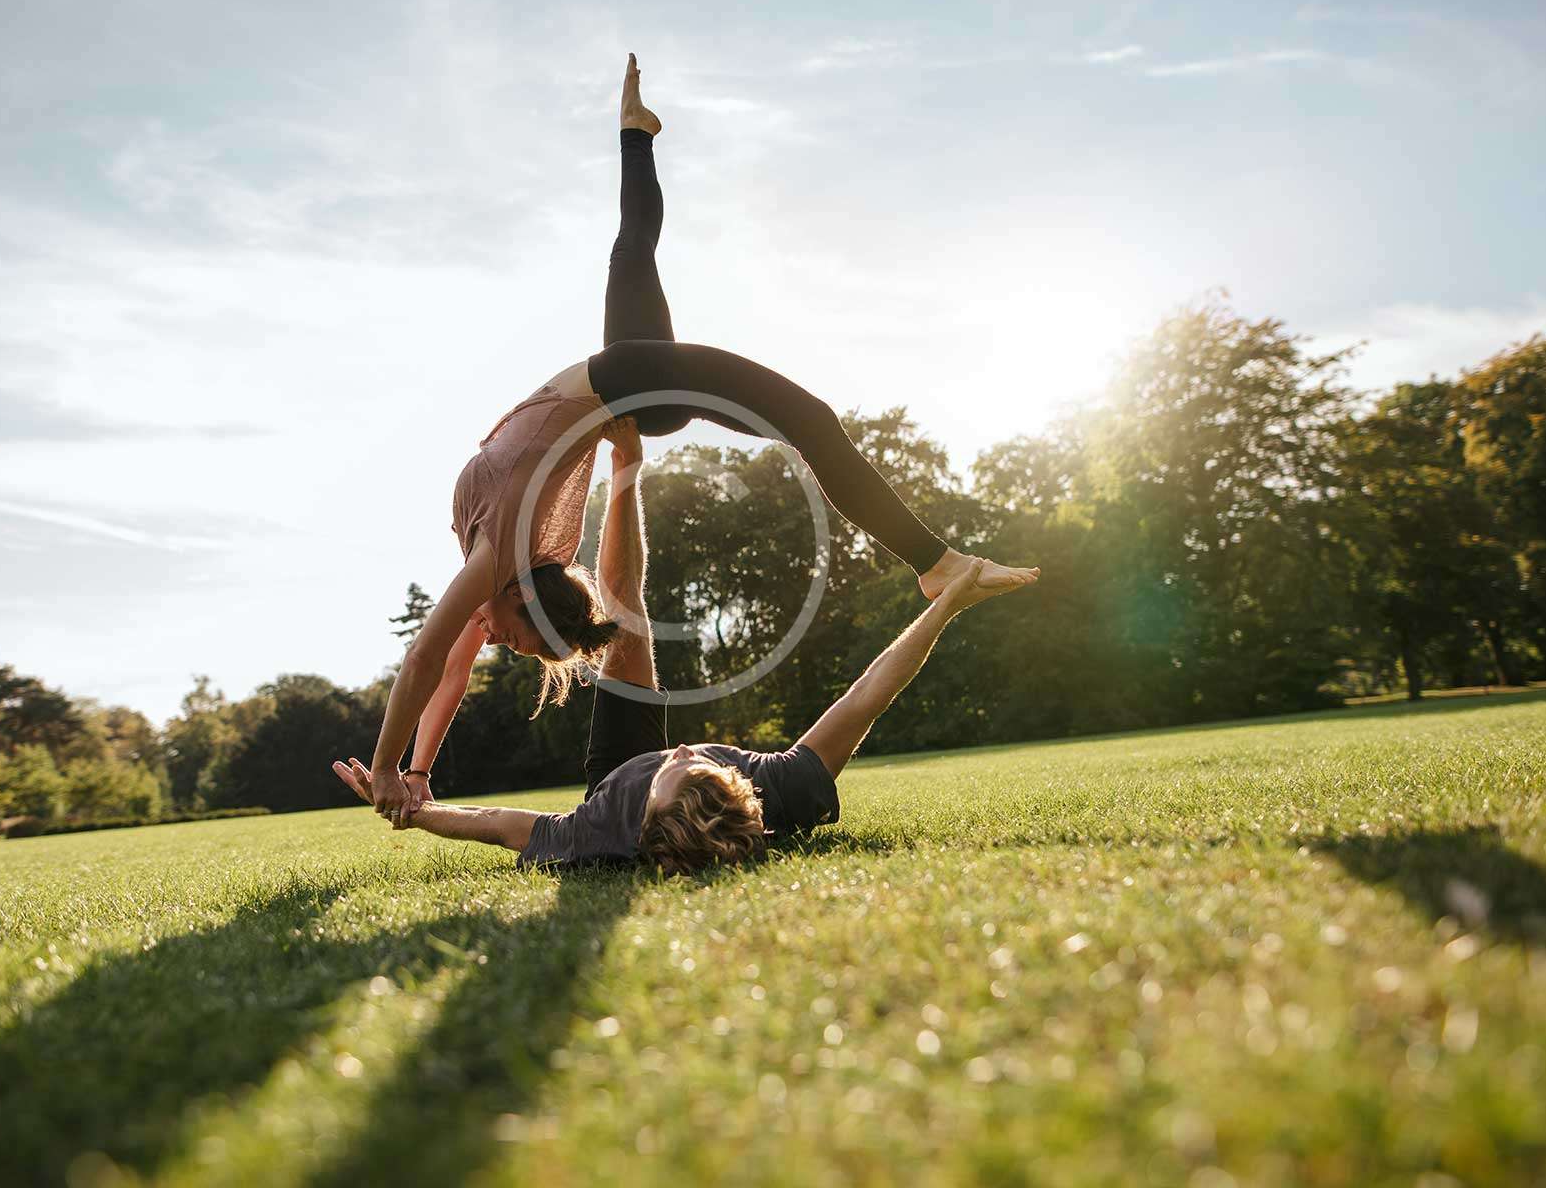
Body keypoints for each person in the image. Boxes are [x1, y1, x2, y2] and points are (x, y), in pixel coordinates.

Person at [366, 53, 1038, 826]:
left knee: (807, 415)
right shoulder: (500, 571)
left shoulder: (502, 550)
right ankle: (634, 135)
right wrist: (415, 772)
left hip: (621, 382)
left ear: (522, 605)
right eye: (512, 647)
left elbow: (426, 659)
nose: (500, 647)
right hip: (628, 394)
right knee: (632, 254)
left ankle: (934, 565)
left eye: (515, 644)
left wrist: (389, 768)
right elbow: (446, 671)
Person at [332, 498, 1034, 870]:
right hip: (688, 797)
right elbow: (869, 694)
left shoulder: (598, 830)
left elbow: (496, 827)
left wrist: (409, 808)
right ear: (736, 787)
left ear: (647, 817)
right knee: (627, 610)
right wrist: (947, 605)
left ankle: (627, 462)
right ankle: (628, 466)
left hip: (612, 771)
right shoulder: (785, 787)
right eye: (694, 762)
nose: (679, 750)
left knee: (622, 613)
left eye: (672, 769)